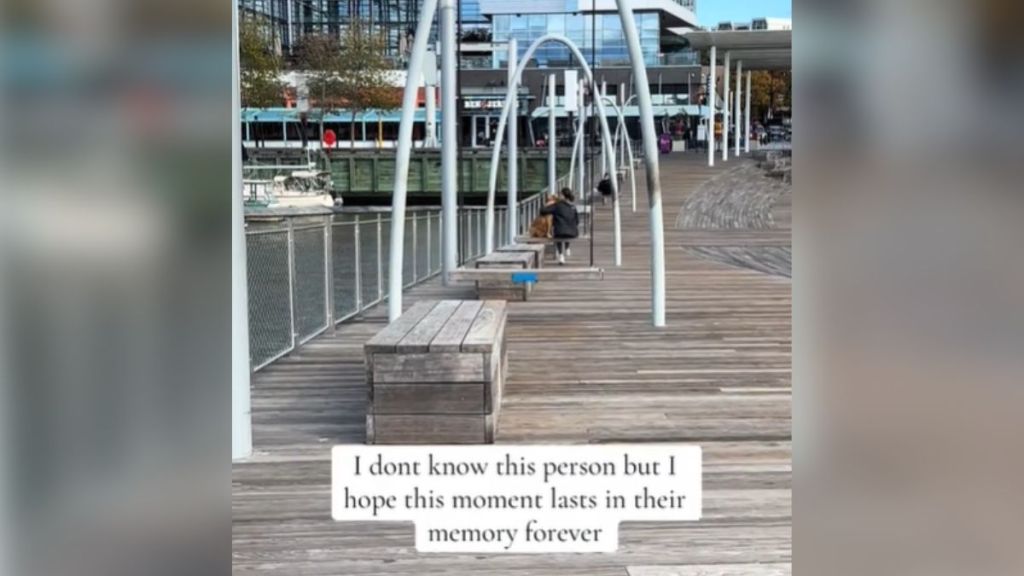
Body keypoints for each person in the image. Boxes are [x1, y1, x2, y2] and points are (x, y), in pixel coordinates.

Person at [540, 188, 579, 265]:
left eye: (560, 194)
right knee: (566, 227)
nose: (558, 196)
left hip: (559, 233)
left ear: (564, 196)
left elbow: (543, 211)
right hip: (573, 233)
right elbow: (577, 221)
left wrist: (546, 204)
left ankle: (561, 255)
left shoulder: (557, 205)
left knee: (560, 231)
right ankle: (567, 247)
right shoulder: (573, 207)